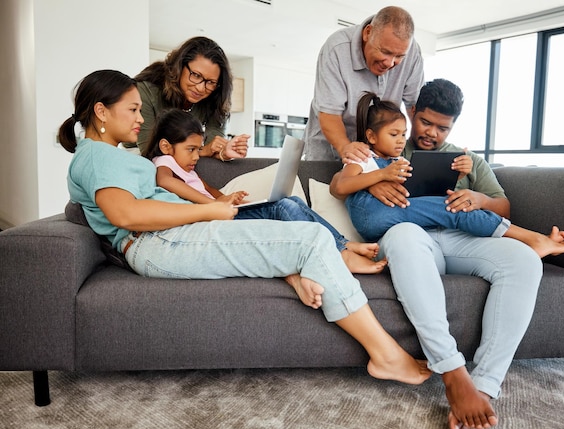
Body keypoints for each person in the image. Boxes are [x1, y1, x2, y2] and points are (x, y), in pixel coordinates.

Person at [58, 69, 432, 392]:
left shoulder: (110, 155)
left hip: (170, 239)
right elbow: (126, 214)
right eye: (133, 109)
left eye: (140, 108)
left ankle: (296, 272)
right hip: (161, 242)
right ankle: (385, 355)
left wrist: (208, 205)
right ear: (101, 111)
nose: (141, 119)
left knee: (300, 236)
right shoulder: (97, 155)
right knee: (314, 239)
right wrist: (207, 212)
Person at [330, 79, 557, 429]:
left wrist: (478, 199)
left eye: (442, 128)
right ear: (413, 112)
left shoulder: (468, 159)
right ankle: (452, 372)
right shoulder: (389, 148)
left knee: (525, 261)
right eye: (424, 123)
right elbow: (346, 183)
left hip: (460, 239)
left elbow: (503, 206)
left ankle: (482, 385)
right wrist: (374, 179)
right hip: (409, 238)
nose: (430, 133)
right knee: (404, 235)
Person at [140, 108, 386, 274]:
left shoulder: (187, 168)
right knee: (285, 207)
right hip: (213, 224)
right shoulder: (164, 162)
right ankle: (341, 254)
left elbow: (208, 189)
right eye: (191, 149)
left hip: (221, 213)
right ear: (165, 146)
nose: (197, 156)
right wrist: (211, 206)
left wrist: (223, 198)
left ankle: (342, 244)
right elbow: (166, 183)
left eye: (198, 149)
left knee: (292, 202)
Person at [331, 92, 564, 258]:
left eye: (403, 135)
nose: (401, 140)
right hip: (373, 216)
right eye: (395, 134)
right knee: (454, 210)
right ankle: (532, 239)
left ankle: (532, 239)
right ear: (372, 136)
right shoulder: (363, 155)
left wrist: (458, 178)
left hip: (395, 217)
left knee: (452, 207)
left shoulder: (399, 158)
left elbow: (417, 196)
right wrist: (380, 176)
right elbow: (340, 187)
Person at [303, 6, 423, 162]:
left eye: (399, 56)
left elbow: (415, 108)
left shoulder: (412, 53)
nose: (390, 63)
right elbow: (329, 113)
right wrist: (346, 148)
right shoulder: (337, 49)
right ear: (368, 33)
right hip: (329, 149)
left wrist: (425, 152)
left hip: (375, 155)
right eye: (385, 52)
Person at [132, 36, 249, 160]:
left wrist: (224, 152)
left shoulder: (215, 99)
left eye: (210, 82)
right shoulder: (147, 91)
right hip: (140, 157)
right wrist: (202, 150)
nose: (201, 88)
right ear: (180, 67)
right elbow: (149, 152)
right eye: (196, 75)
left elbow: (213, 148)